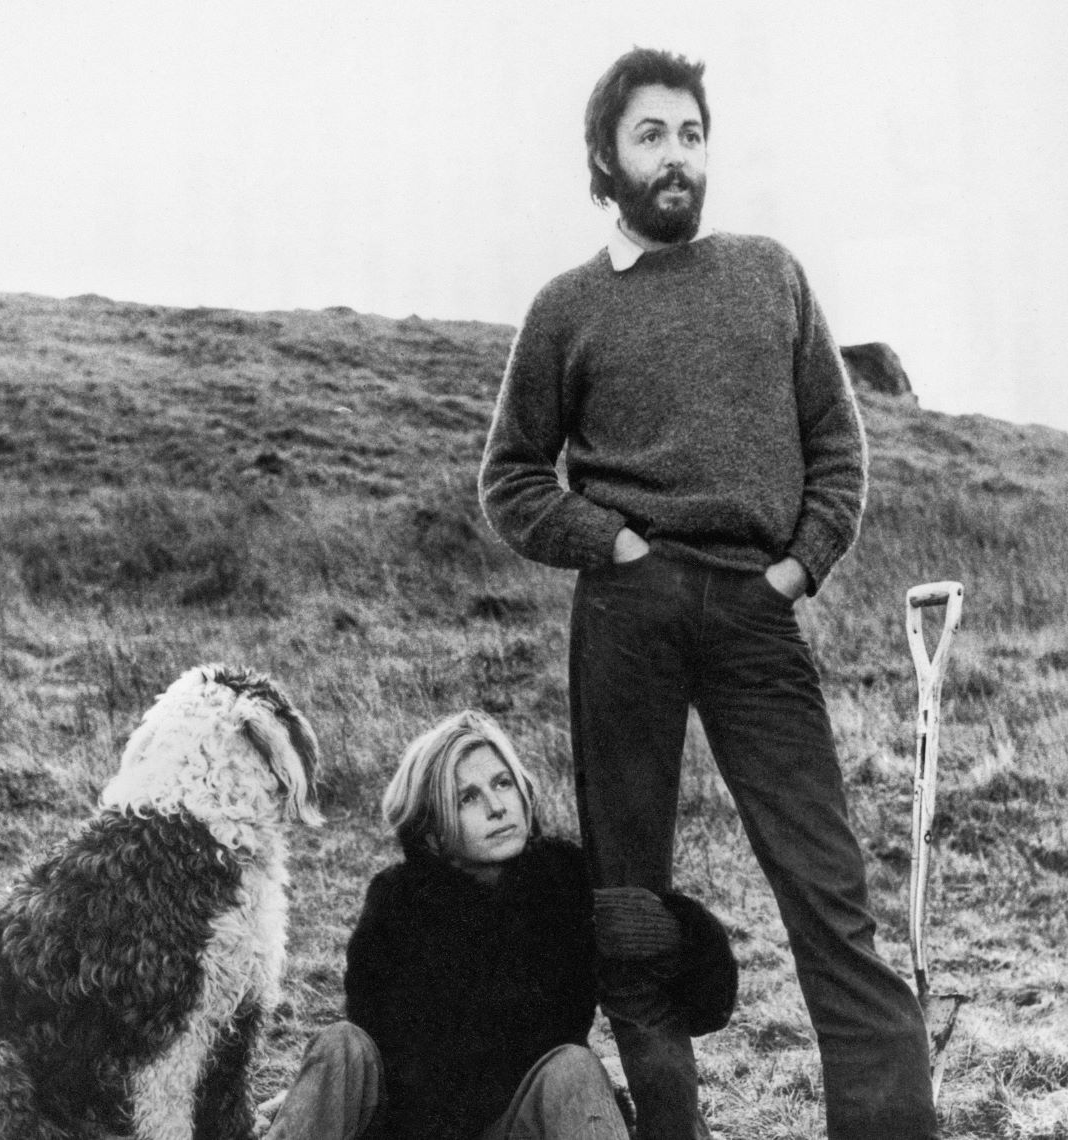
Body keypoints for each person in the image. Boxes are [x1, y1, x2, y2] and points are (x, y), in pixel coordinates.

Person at [478, 47, 937, 1140]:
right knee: (632, 916)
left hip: (753, 608)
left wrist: (797, 566)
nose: (676, 156)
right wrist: (615, 546)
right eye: (651, 135)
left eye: (691, 134)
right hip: (627, 618)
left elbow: (839, 446)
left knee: (831, 897)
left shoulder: (770, 274)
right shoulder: (566, 309)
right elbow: (510, 479)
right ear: (606, 157)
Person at [262, 709, 735, 1140]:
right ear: (433, 831)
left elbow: (707, 1009)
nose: (496, 806)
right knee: (341, 1044)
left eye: (502, 783)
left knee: (574, 1068)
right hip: (408, 1131)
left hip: (512, 1128)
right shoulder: (397, 902)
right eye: (468, 796)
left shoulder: (565, 880)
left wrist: (676, 936)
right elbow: (387, 1054)